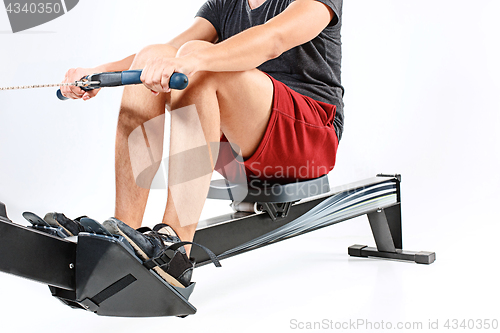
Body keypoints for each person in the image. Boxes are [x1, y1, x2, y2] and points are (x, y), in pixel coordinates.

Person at [56, 0, 344, 289]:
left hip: (309, 138)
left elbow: (273, 38)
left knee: (200, 59)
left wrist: (194, 60)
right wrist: (98, 73)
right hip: (238, 144)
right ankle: (123, 235)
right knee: (152, 55)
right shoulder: (226, 4)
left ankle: (174, 252)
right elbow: (166, 54)